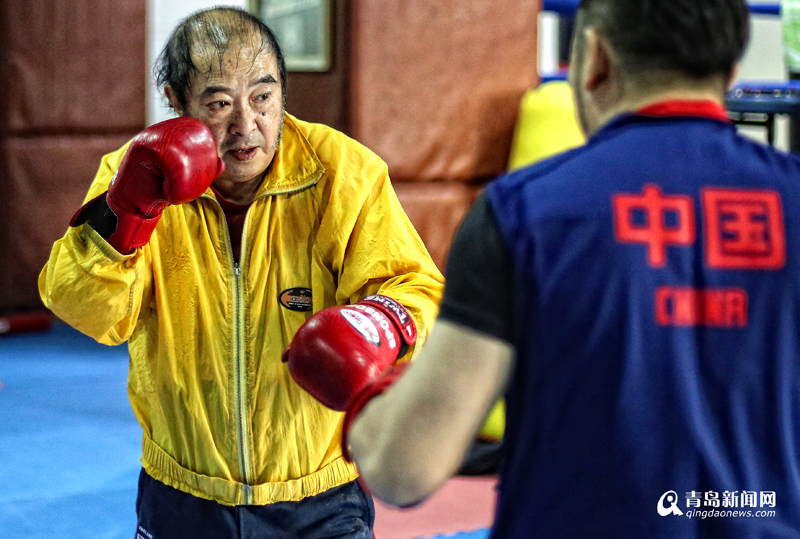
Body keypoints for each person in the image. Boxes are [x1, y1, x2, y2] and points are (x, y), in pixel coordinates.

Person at [286, 0, 800, 536]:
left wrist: (367, 392)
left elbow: (405, 469)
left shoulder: (526, 212)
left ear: (595, 57)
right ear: (732, 70)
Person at [38, 7, 443, 538]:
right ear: (175, 101)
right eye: (220, 103)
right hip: (182, 495)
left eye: (263, 97)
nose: (246, 125)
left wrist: (377, 326)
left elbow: (413, 286)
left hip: (320, 498)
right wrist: (129, 215)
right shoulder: (131, 174)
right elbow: (88, 311)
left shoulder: (344, 173)